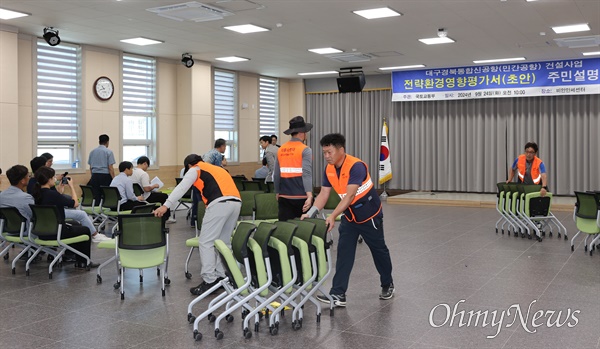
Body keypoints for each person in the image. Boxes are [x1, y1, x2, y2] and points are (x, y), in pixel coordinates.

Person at [303, 133, 394, 307]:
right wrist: (312, 212)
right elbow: (323, 193)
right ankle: (338, 294)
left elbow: (350, 195)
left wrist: (332, 215)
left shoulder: (356, 166)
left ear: (341, 150)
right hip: (350, 216)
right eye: (324, 153)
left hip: (370, 215)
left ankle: (387, 283)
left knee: (379, 250)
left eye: (329, 152)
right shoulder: (329, 169)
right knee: (344, 253)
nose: (326, 156)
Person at [154, 154, 241, 296]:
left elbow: (181, 188)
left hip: (219, 203)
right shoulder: (216, 168)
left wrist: (165, 206)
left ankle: (209, 280)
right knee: (223, 243)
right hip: (236, 203)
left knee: (206, 241)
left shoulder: (195, 169)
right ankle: (221, 276)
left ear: (189, 165)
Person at [31, 166, 104, 268]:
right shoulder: (52, 195)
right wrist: (72, 187)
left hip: (42, 231)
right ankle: (83, 261)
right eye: (54, 177)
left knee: (75, 224)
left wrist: (59, 192)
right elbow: (75, 204)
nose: (55, 178)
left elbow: (54, 199)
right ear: (49, 179)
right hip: (57, 232)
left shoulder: (37, 194)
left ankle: (70, 254)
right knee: (85, 230)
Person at [273, 116, 313, 221]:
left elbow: (276, 174)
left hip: (284, 196)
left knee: (285, 229)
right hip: (301, 196)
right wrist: (309, 195)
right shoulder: (305, 150)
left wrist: (278, 192)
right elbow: (306, 173)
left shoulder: (281, 149)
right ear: (301, 133)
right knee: (303, 230)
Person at [87, 134, 116, 203]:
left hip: (94, 176)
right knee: (106, 194)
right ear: (107, 142)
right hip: (105, 176)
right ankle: (105, 209)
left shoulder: (92, 152)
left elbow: (90, 167)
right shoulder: (109, 152)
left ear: (99, 141)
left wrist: (93, 176)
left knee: (96, 194)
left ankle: (96, 209)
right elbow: (110, 167)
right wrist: (114, 178)